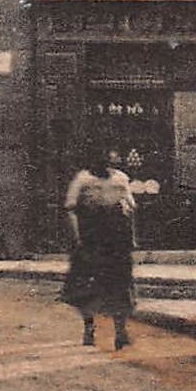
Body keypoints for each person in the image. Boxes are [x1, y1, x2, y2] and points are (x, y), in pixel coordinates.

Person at [61, 147, 139, 350]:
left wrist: (130, 237)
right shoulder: (83, 179)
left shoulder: (121, 178)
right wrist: (77, 237)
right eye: (102, 162)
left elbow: (130, 208)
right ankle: (89, 328)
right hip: (91, 237)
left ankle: (120, 332)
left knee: (121, 284)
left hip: (115, 239)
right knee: (87, 286)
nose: (107, 167)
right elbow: (70, 209)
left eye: (110, 162)